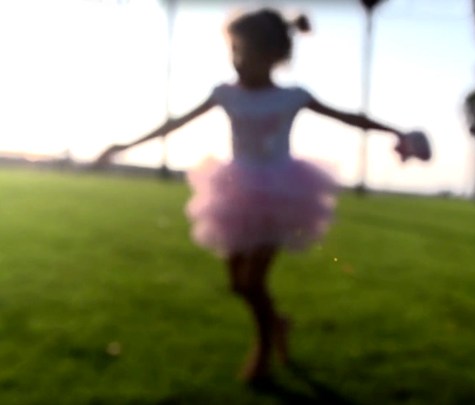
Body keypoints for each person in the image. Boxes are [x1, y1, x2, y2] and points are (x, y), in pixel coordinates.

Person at [97, 8, 430, 383]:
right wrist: (125, 145)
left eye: (243, 51)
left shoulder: (292, 97)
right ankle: (278, 323)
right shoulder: (224, 93)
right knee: (238, 285)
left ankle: (264, 349)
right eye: (232, 51)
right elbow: (175, 123)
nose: (236, 60)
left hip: (281, 196)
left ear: (272, 55)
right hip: (234, 195)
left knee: (253, 282)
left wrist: (397, 132)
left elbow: (349, 117)